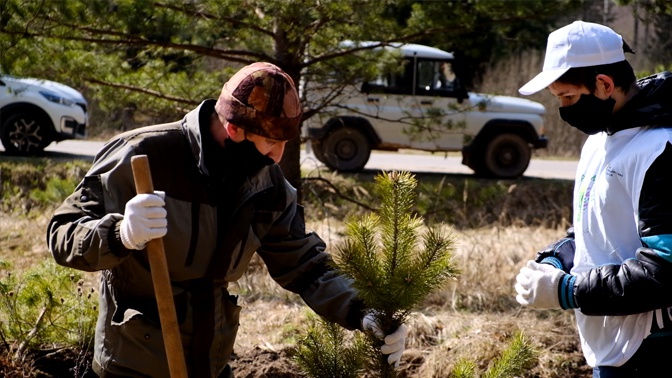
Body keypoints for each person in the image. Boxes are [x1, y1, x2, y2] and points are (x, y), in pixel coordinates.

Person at [47, 62, 407, 378]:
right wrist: (120, 234)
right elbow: (62, 234)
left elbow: (306, 266)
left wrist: (362, 309)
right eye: (270, 142)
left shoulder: (269, 187)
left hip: (210, 360)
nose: (278, 158)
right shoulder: (144, 155)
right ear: (234, 129)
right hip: (131, 364)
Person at [513, 20, 672, 377]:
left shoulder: (660, 148)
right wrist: (556, 260)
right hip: (610, 345)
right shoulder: (597, 142)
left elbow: (666, 267)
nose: (563, 109)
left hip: (652, 348)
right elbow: (593, 226)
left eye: (567, 97)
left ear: (603, 84)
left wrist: (568, 291)